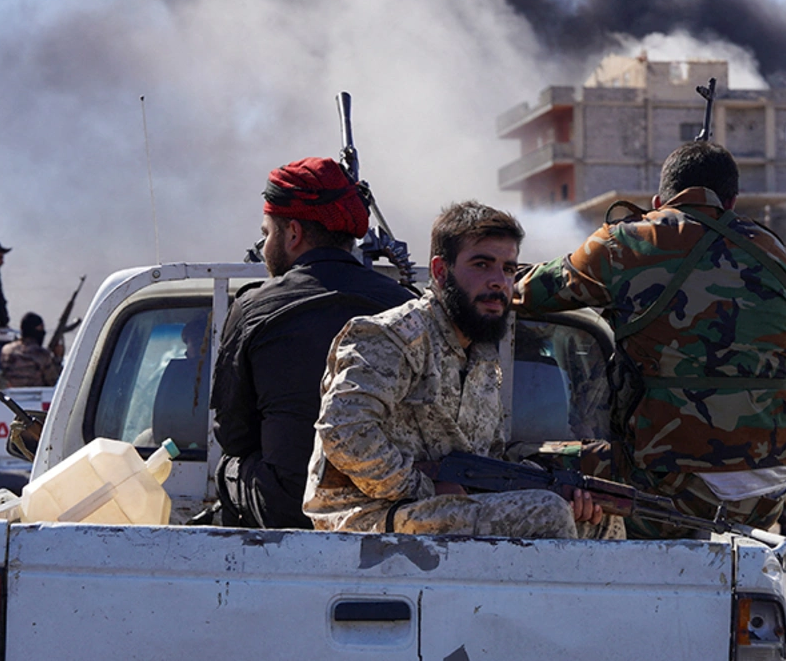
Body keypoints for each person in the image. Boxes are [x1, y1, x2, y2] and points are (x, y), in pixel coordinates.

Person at [514, 140, 786, 537]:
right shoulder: (775, 254)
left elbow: (524, 292)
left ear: (658, 202)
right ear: (732, 203)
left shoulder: (627, 241)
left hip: (666, 492)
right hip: (767, 499)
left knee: (515, 463)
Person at [303, 201, 604, 538]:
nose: (498, 282)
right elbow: (344, 429)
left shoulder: (483, 358)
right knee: (547, 513)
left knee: (599, 520)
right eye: (481, 265)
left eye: (508, 269)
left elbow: (486, 463)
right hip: (367, 515)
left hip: (439, 512)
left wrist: (548, 484)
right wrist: (421, 487)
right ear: (440, 271)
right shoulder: (392, 337)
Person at [210, 157, 414, 529]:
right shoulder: (406, 307)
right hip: (383, 510)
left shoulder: (254, 307)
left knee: (229, 467)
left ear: (292, 233)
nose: (265, 245)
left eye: (267, 233)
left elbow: (233, 434)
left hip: (286, 510)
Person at [1, 312, 61, 388]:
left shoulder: (6, 350)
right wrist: (58, 357)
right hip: (38, 393)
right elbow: (54, 381)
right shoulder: (41, 354)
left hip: (10, 392)